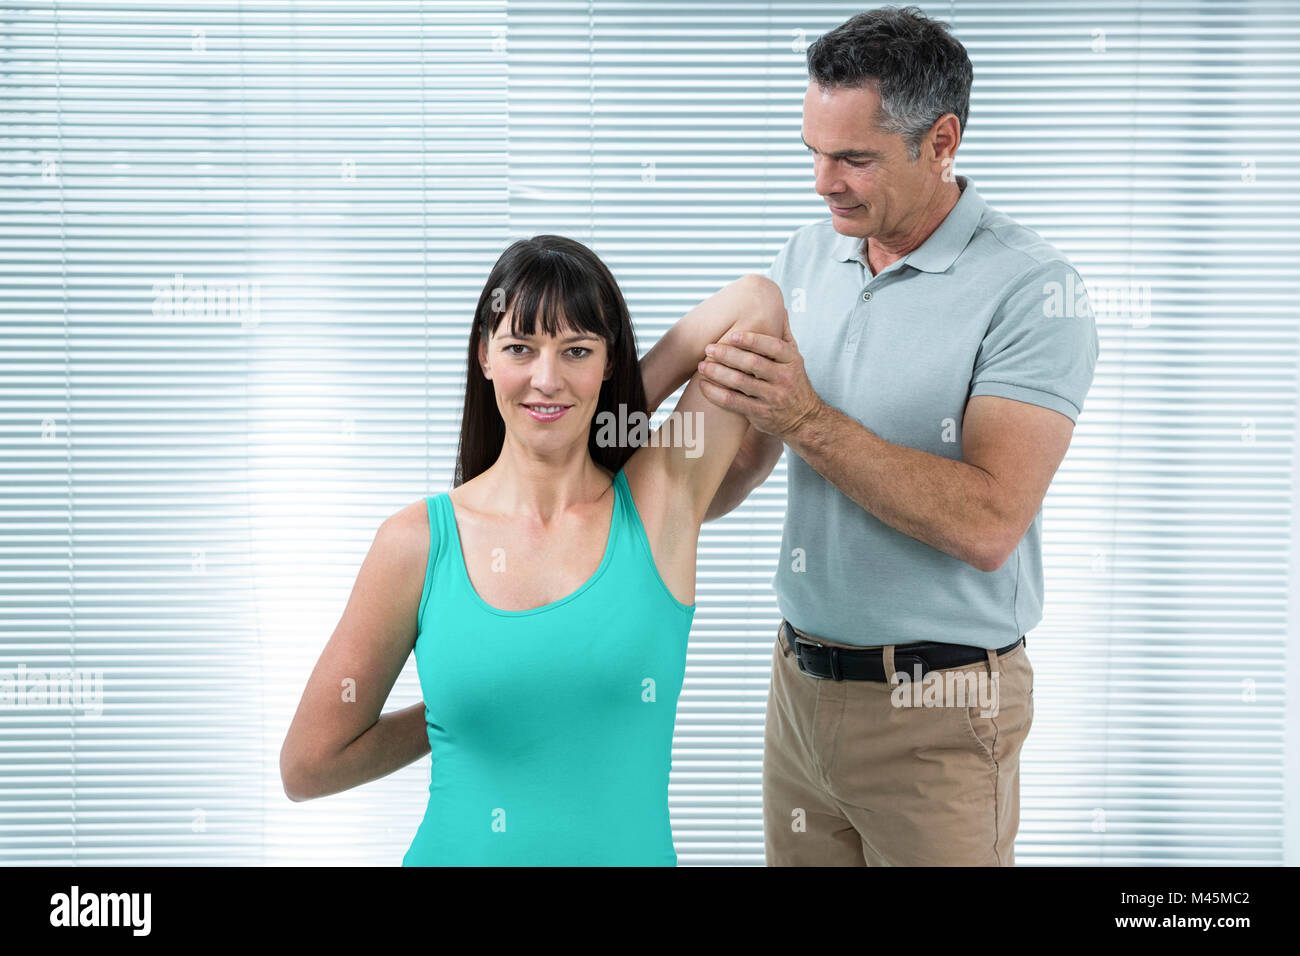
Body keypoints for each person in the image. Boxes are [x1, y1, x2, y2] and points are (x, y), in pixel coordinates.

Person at [696, 7, 1100, 865]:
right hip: (798, 691)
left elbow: (989, 523)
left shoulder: (1030, 291)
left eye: (853, 158)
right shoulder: (810, 255)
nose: (821, 182)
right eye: (812, 150)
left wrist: (806, 416)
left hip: (940, 716)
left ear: (941, 140)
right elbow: (749, 466)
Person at [279, 234, 786, 865]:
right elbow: (309, 766)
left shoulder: (660, 506)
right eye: (520, 348)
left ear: (609, 362)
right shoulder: (418, 543)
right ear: (484, 355)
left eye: (576, 350)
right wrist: (462, 709)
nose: (545, 379)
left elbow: (756, 305)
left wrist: (617, 409)